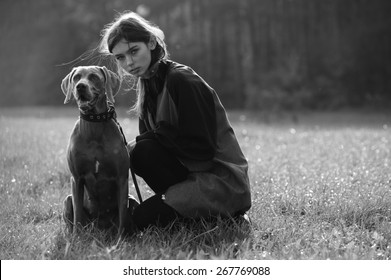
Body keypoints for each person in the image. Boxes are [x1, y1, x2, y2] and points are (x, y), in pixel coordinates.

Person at [98, 11, 251, 230]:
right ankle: (188, 212)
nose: (129, 63)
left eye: (134, 51)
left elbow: (202, 149)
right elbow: (154, 150)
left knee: (137, 219)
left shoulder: (182, 80)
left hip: (221, 183)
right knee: (141, 155)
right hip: (192, 176)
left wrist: (141, 141)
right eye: (120, 57)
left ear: (151, 43)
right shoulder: (148, 83)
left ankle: (224, 214)